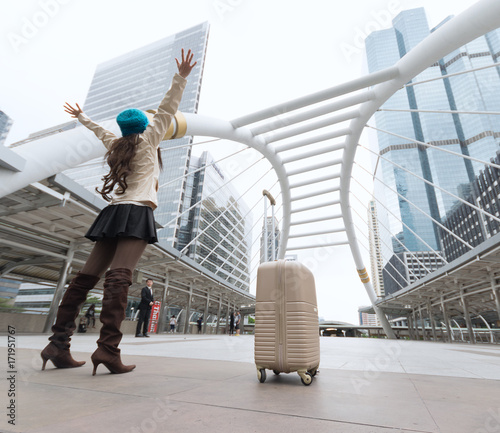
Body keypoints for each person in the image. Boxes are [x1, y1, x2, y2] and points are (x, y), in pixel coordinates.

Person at [40, 49, 197, 375]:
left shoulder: (116, 145)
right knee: (119, 280)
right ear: (144, 127)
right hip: (136, 212)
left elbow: (99, 130)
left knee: (84, 279)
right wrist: (180, 77)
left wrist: (82, 117)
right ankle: (107, 351)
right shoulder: (150, 139)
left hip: (112, 213)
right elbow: (168, 109)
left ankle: (57, 345)